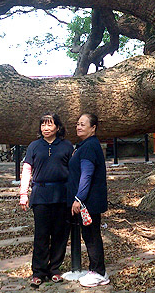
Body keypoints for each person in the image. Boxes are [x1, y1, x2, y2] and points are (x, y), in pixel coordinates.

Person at [20, 114, 74, 288]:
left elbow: (74, 171)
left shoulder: (66, 146)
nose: (46, 128)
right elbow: (27, 170)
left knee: (60, 234)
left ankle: (55, 269)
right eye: (43, 125)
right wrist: (23, 194)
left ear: (58, 127)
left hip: (62, 194)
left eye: (50, 125)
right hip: (40, 194)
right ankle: (39, 272)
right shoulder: (34, 146)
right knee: (41, 234)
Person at [67, 113, 109, 287]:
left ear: (93, 128)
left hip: (89, 202)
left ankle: (99, 272)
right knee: (89, 235)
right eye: (77, 124)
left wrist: (79, 198)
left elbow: (87, 174)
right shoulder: (85, 145)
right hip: (87, 201)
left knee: (92, 236)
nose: (79, 127)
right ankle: (95, 269)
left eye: (83, 124)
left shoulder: (89, 146)